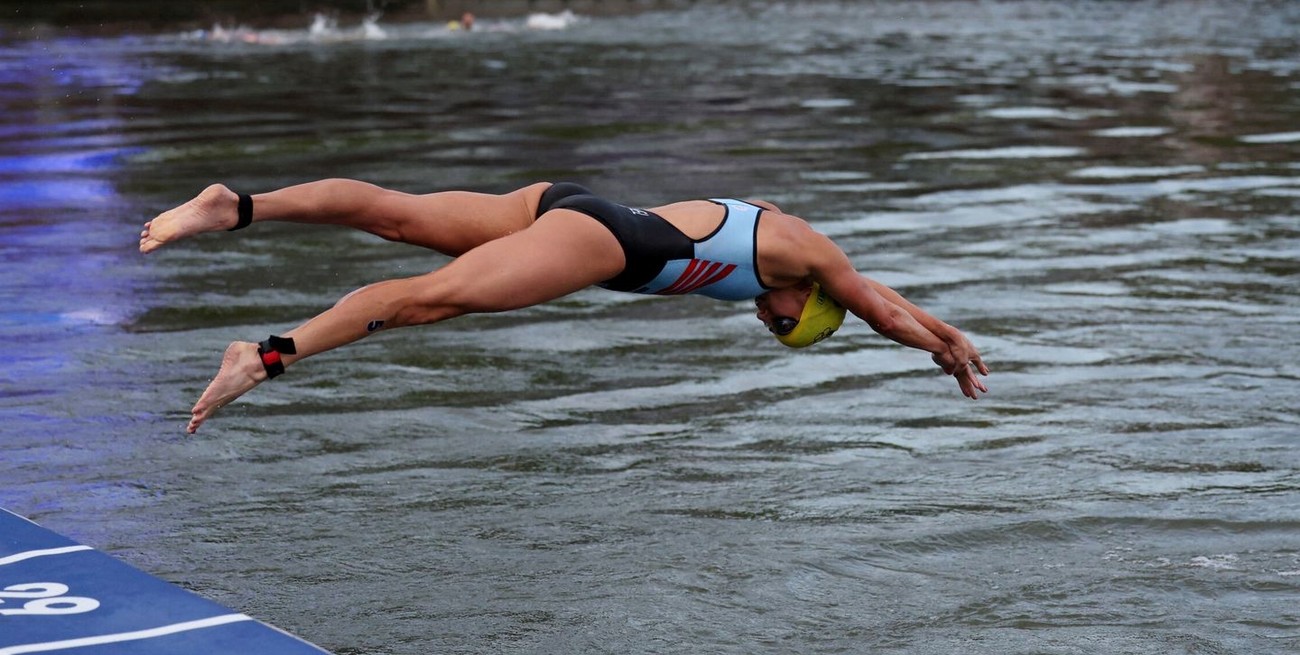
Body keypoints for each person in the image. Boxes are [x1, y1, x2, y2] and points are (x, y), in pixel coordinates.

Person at [139, 180, 989, 433]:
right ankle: (264, 356)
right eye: (783, 323)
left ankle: (235, 207)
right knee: (428, 302)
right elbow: (874, 308)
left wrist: (946, 329)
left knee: (397, 218)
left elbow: (872, 292)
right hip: (601, 243)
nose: (766, 321)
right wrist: (938, 351)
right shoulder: (800, 250)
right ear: (807, 299)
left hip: (566, 205)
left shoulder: (806, 259)